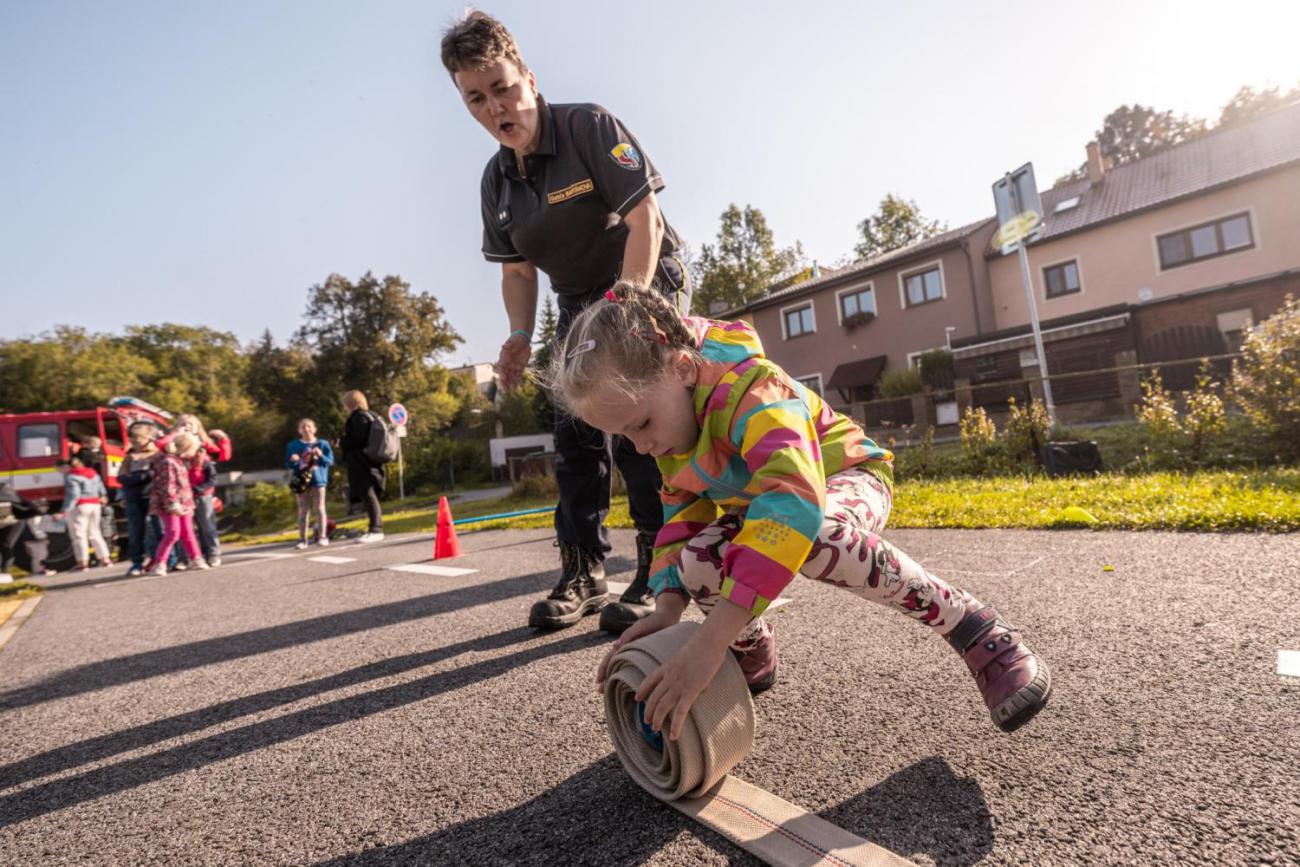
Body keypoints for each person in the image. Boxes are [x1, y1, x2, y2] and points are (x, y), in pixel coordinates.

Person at [547, 283, 1052, 740]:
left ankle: (975, 627)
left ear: (681, 368)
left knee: (817, 536)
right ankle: (752, 650)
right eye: (625, 437)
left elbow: (793, 501)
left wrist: (709, 639)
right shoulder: (671, 432)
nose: (638, 446)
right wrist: (668, 609)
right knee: (697, 559)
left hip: (847, 478)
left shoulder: (754, 389)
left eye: (641, 424)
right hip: (774, 504)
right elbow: (682, 519)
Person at [441, 12, 691, 633]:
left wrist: (626, 308)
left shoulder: (587, 126)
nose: (495, 107)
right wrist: (521, 337)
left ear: (527, 75)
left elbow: (646, 223)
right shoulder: (496, 179)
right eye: (476, 97)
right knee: (573, 433)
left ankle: (660, 567)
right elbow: (518, 272)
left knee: (636, 424)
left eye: (501, 87)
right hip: (578, 303)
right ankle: (583, 569)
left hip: (643, 285)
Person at [158, 414, 231, 568]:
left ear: (198, 427)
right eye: (184, 424)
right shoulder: (174, 445)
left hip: (201, 492)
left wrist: (223, 439)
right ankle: (184, 558)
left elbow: (223, 455)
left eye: (191, 424)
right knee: (184, 529)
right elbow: (160, 444)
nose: (188, 426)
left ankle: (212, 554)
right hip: (182, 495)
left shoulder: (203, 445)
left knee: (207, 525)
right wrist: (176, 433)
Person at [149, 433, 208, 576]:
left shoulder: (179, 461)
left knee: (188, 532)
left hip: (185, 503)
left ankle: (196, 558)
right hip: (170, 504)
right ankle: (160, 563)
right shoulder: (168, 462)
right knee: (173, 532)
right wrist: (173, 503)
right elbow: (167, 484)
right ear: (187, 447)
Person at [339, 391, 384, 542]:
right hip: (371, 460)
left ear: (350, 403)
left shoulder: (359, 417)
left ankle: (376, 529)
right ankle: (375, 528)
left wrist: (341, 442)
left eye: (345, 404)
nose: (344, 407)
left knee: (368, 494)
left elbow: (357, 438)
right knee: (368, 494)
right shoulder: (371, 414)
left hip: (362, 461)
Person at [54, 453, 112, 572]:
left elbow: (73, 495)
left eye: (59, 469)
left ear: (66, 467)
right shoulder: (93, 473)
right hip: (95, 504)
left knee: (79, 535)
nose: (59, 472)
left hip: (80, 506)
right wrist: (103, 496)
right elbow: (101, 488)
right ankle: (105, 559)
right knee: (95, 532)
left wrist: (64, 511)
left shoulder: (71, 477)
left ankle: (83, 563)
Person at [118, 421, 160, 577]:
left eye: (138, 441)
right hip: (133, 498)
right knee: (136, 532)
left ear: (148, 438)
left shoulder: (156, 454)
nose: (135, 444)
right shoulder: (129, 457)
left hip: (153, 496)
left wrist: (136, 477)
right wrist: (143, 475)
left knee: (158, 529)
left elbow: (157, 475)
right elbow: (122, 477)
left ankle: (162, 559)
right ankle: (137, 562)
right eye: (132, 441)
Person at [286, 418, 334, 550]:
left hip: (319, 480)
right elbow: (288, 464)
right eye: (303, 427)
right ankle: (302, 540)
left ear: (315, 429)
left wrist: (321, 455)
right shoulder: (293, 445)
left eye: (309, 426)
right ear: (299, 430)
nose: (306, 429)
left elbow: (330, 461)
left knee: (320, 508)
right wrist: (292, 460)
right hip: (301, 482)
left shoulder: (323, 444)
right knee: (303, 510)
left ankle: (323, 536)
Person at [0, 482, 41, 584]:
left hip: (13, 522)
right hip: (10, 521)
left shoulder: (5, 492)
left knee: (6, 545)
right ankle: (5, 573)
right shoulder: (8, 492)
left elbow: (27, 508)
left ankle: (5, 573)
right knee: (6, 546)